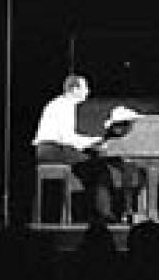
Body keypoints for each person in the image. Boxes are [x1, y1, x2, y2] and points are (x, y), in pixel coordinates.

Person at [32, 74, 144, 223]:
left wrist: (91, 144)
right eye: (85, 88)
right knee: (98, 167)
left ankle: (100, 212)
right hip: (52, 150)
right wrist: (94, 141)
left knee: (93, 165)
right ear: (74, 89)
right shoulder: (64, 105)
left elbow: (69, 139)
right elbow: (68, 138)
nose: (88, 91)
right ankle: (104, 214)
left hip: (53, 149)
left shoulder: (61, 103)